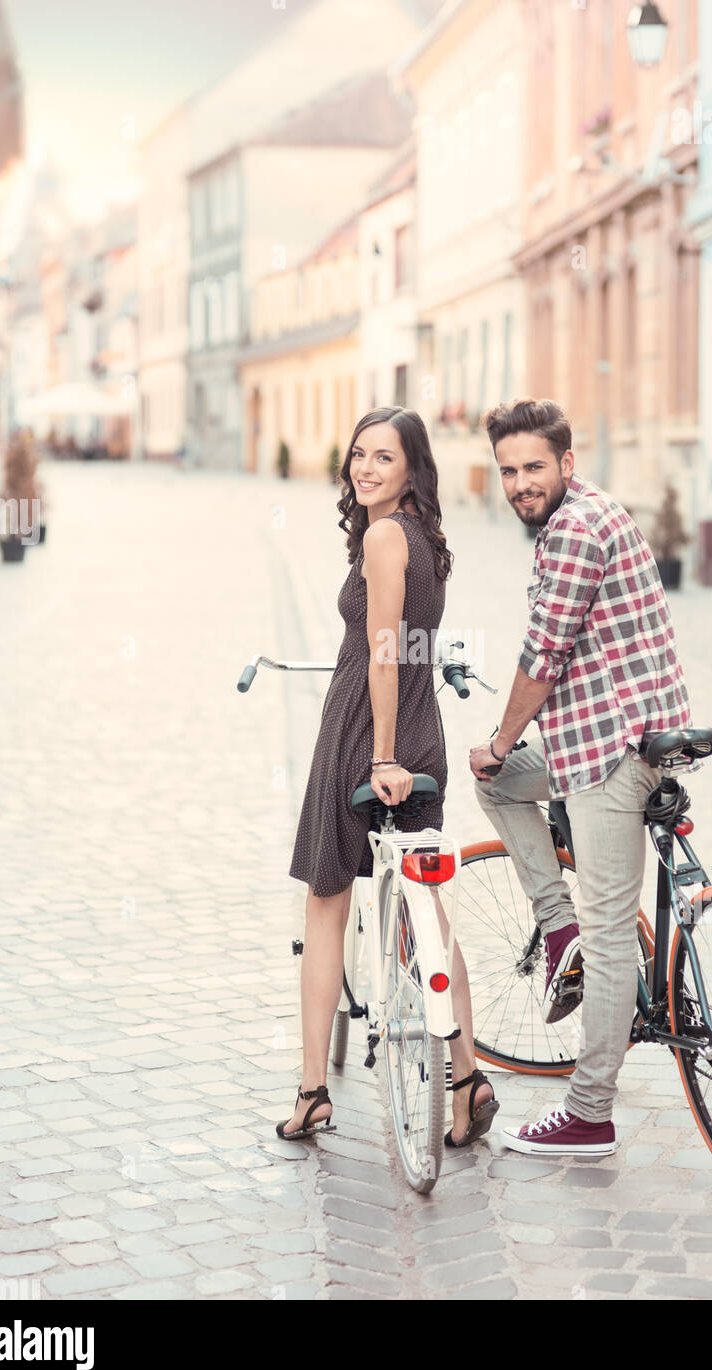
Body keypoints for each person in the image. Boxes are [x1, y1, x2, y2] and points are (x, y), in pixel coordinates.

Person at [468, 398, 691, 1157]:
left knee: (605, 932)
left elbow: (542, 657)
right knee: (500, 785)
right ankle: (555, 928)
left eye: (534, 467)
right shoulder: (594, 511)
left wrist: (499, 738)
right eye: (507, 471)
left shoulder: (570, 530)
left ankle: (588, 1113)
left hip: (609, 751)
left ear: (566, 462)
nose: (520, 483)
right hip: (622, 735)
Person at [279, 406, 499, 1148]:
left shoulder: (380, 536)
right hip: (424, 730)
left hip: (362, 735)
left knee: (325, 905)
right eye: (358, 455)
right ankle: (465, 1076)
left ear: (412, 468)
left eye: (383, 457)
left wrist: (378, 756)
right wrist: (404, 748)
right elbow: (410, 651)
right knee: (428, 910)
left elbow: (379, 653)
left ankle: (312, 1091)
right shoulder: (427, 540)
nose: (366, 468)